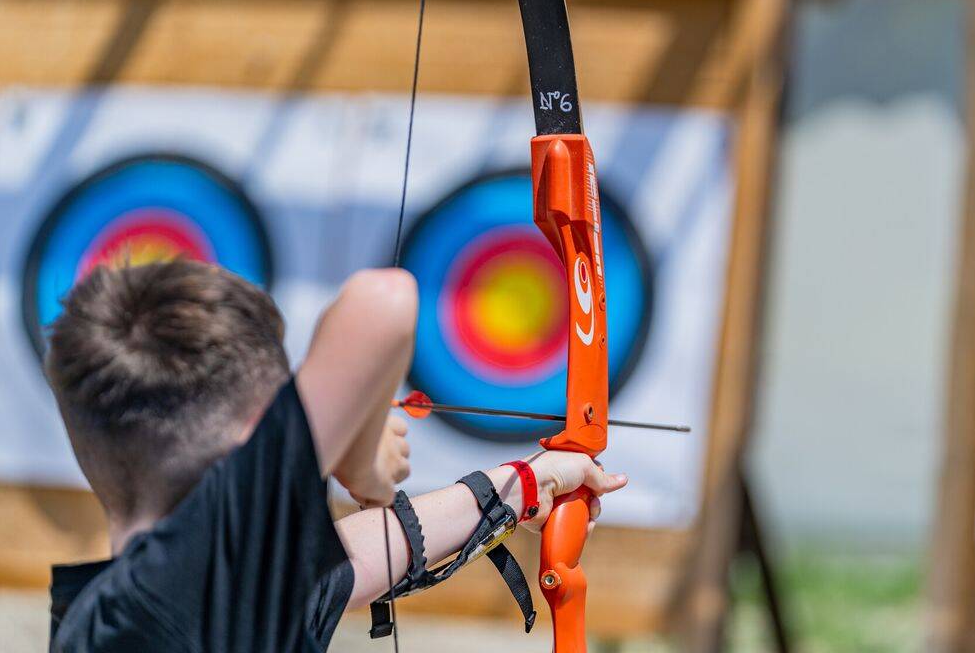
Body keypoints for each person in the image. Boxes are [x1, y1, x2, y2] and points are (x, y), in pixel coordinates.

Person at [45, 259, 626, 651]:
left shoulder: (130, 611)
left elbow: (348, 566)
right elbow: (384, 300)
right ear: (254, 441)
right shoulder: (176, 587)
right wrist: (360, 456)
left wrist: (527, 482)